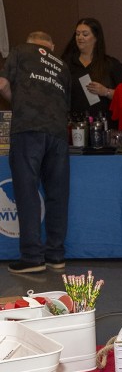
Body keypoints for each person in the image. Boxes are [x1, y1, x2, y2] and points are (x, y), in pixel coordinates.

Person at [0, 31, 71, 274]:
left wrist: (16, 101)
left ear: (30, 42)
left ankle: (32, 256)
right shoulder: (62, 64)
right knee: (57, 194)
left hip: (28, 129)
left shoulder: (20, 51)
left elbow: (2, 84)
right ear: (50, 45)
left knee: (27, 191)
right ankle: (56, 255)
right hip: (58, 133)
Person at [61, 17, 122, 123]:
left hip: (105, 126)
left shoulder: (111, 64)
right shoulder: (66, 64)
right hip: (75, 126)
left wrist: (106, 92)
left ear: (96, 38)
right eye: (77, 34)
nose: (80, 37)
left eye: (85, 34)